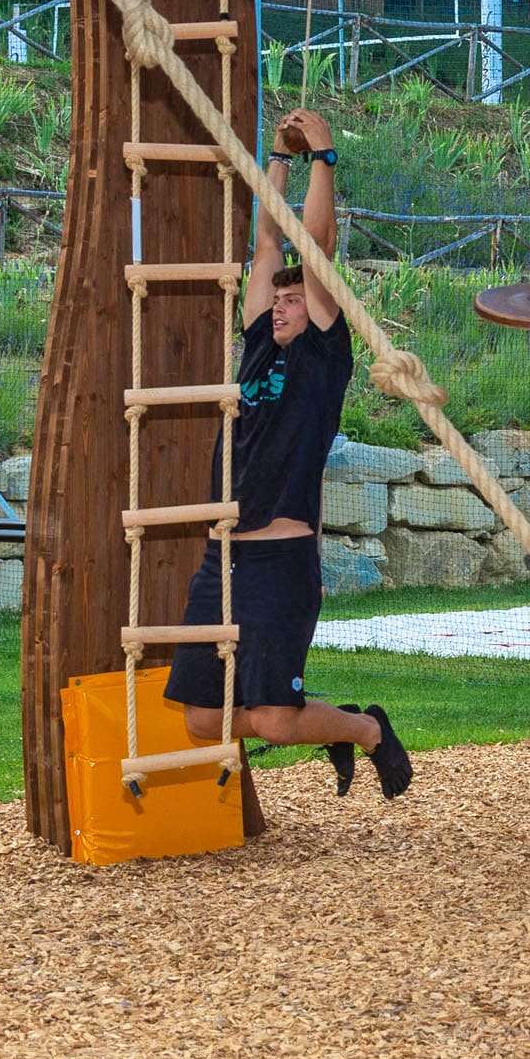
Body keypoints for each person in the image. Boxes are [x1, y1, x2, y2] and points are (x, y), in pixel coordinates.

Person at [167, 108, 413, 800]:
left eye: (293, 302)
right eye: (276, 302)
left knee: (274, 722)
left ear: (318, 310)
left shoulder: (323, 359)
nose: (280, 308)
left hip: (279, 560)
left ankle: (363, 729)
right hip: (223, 557)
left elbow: (313, 248)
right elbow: (270, 242)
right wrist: (276, 157)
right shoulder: (257, 347)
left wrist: (324, 157)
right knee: (200, 719)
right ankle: (321, 724)